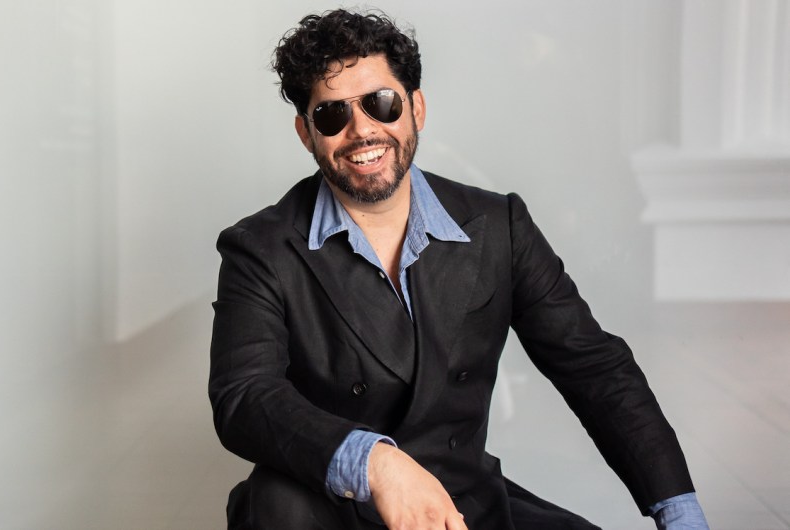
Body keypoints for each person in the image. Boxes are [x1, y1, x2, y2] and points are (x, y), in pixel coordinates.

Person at [209, 9, 709, 530]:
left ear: (416, 109)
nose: (362, 130)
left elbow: (593, 367)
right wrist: (376, 463)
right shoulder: (260, 247)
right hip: (325, 507)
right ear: (306, 133)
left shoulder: (499, 224)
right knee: (275, 502)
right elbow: (244, 395)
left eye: (381, 103)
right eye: (332, 115)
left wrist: (679, 511)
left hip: (463, 501)